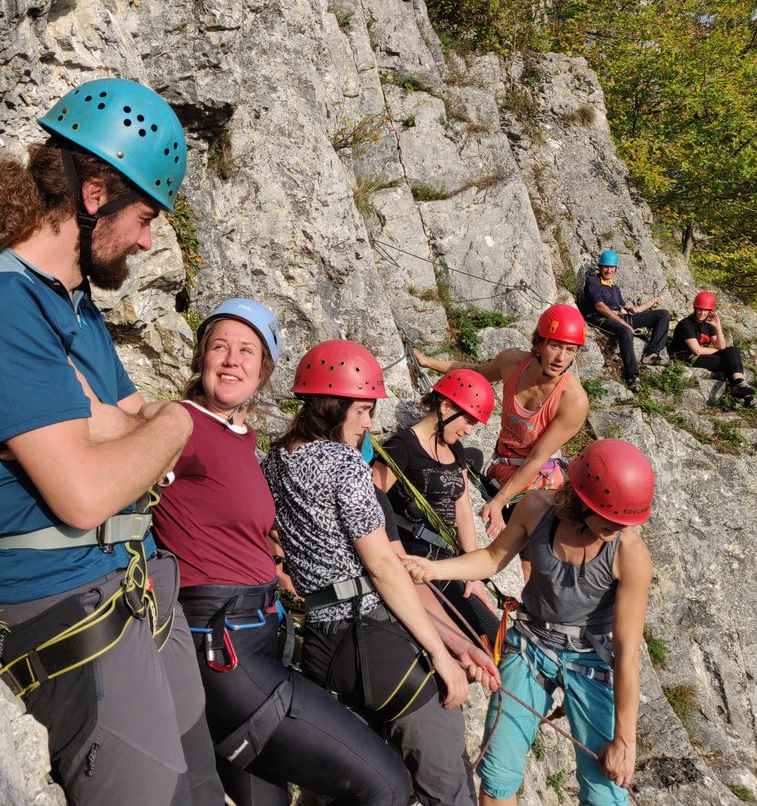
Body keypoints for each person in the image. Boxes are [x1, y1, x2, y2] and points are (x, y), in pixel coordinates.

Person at [0, 78, 222, 805]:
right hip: (63, 601)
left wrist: (126, 430)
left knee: (201, 789)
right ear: (95, 196)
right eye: (146, 216)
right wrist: (180, 419)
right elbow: (85, 491)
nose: (148, 239)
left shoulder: (72, 305)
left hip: (134, 579)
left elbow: (128, 423)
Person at [153, 299, 413, 806]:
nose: (231, 360)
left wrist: (271, 558)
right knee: (385, 784)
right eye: (219, 347)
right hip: (225, 647)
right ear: (201, 357)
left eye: (246, 351)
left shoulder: (240, 437)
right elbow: (123, 432)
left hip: (256, 635)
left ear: (264, 371)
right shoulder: (180, 423)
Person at [263, 340, 499, 806]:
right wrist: (444, 657)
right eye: (364, 410)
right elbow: (384, 569)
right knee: (445, 782)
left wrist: (462, 645)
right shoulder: (344, 463)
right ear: (333, 406)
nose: (370, 424)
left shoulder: (272, 465)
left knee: (347, 788)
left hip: (321, 650)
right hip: (375, 644)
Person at [404, 439, 654, 806]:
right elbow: (492, 559)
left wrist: (625, 741)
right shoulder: (538, 509)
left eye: (623, 522)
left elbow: (626, 652)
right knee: (498, 773)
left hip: (589, 658)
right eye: (610, 519)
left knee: (606, 793)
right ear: (583, 501)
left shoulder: (630, 553)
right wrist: (431, 568)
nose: (617, 528)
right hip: (530, 644)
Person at [415, 304, 591, 538]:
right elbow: (474, 372)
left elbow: (537, 457)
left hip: (536, 486)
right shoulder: (512, 363)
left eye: (570, 350)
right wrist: (428, 362)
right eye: (556, 346)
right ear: (539, 344)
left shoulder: (573, 401)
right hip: (501, 467)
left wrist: (499, 502)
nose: (561, 357)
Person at [372, 369, 500, 643]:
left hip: (447, 560)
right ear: (445, 406)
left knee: (494, 635)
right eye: (468, 420)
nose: (469, 429)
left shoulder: (456, 450)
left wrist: (472, 572)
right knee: (467, 640)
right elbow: (369, 500)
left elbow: (463, 511)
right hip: (413, 558)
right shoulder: (402, 446)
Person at [578, 249, 669, 393]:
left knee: (663, 314)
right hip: (599, 318)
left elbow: (626, 310)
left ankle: (651, 353)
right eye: (606, 267)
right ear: (600, 267)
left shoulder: (615, 288)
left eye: (611, 267)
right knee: (626, 331)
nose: (608, 270)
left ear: (615, 269)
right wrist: (625, 324)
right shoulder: (593, 282)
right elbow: (600, 306)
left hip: (618, 316)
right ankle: (632, 376)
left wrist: (650, 304)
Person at [670, 291, 757, 402]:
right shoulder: (686, 324)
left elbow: (722, 346)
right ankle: (749, 399)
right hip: (686, 356)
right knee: (728, 362)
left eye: (706, 310)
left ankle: (740, 383)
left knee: (733, 350)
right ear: (695, 308)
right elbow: (696, 350)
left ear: (710, 311)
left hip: (701, 354)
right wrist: (716, 350)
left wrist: (718, 327)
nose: (702, 313)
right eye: (700, 309)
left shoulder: (708, 324)